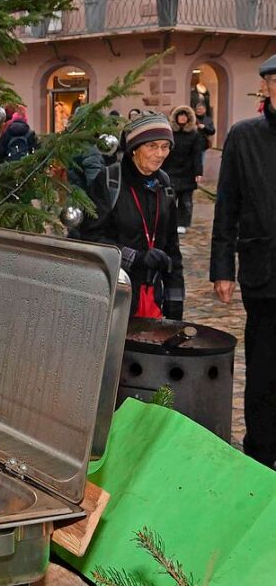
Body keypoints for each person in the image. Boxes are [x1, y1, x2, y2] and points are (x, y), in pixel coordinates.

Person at [209, 54, 276, 470]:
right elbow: (227, 206)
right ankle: (261, 458)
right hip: (263, 274)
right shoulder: (244, 136)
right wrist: (221, 267)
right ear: (269, 86)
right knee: (264, 374)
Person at [79, 112, 184, 320]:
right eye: (152, 146)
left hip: (153, 295)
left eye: (165, 146)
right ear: (134, 148)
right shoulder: (109, 181)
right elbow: (91, 238)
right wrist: (134, 258)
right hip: (113, 295)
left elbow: (172, 246)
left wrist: (175, 299)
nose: (160, 154)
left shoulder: (165, 184)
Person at [161, 105, 205, 234]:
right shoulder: (169, 133)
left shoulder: (194, 135)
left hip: (188, 171)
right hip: (171, 170)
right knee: (170, 199)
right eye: (180, 115)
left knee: (186, 201)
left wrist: (198, 172)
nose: (182, 118)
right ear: (175, 117)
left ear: (189, 118)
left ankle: (183, 223)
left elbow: (197, 154)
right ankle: (169, 222)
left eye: (185, 115)